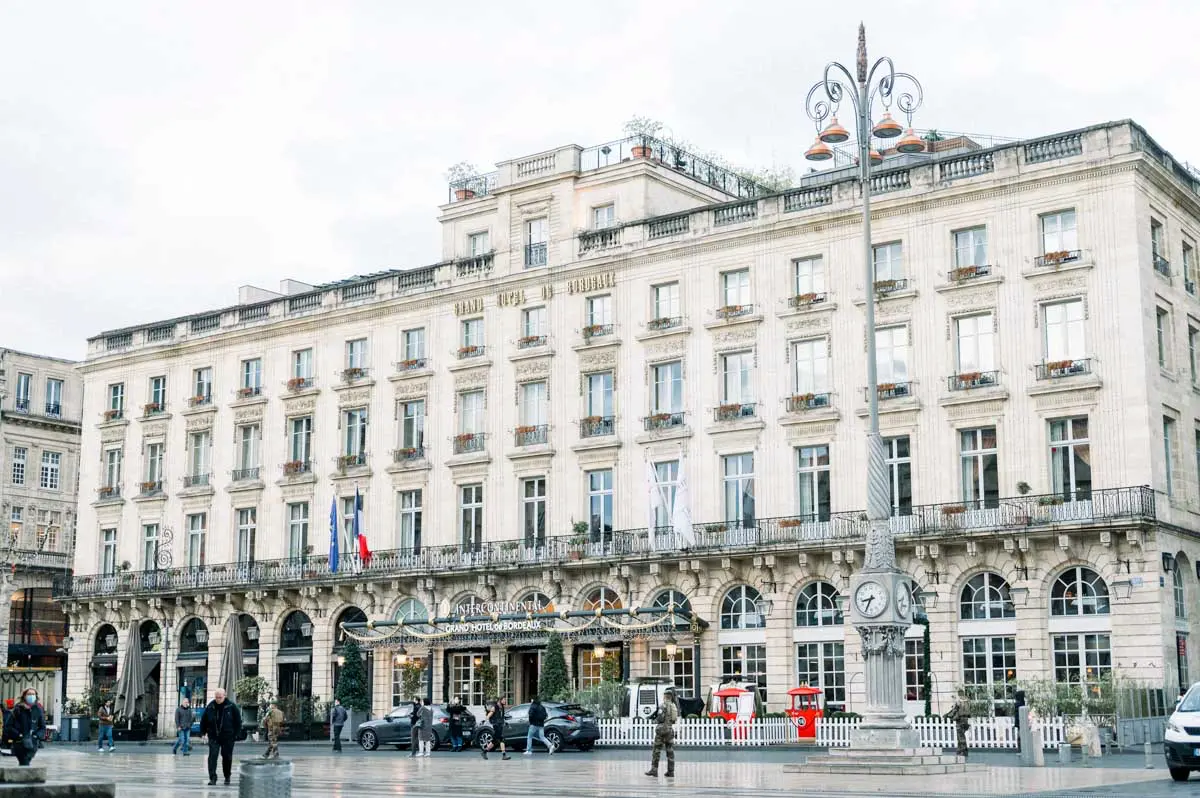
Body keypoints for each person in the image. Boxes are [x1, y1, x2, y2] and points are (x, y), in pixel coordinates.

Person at [199, 688, 242, 787]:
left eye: (220, 697)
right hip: (213, 736)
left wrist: (235, 735)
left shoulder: (231, 706)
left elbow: (238, 722)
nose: (218, 699)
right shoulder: (211, 706)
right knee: (212, 757)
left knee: (227, 757)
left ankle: (227, 776)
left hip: (228, 736)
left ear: (224, 696)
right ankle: (213, 778)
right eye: (216, 697)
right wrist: (203, 732)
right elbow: (204, 720)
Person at [3, 688, 44, 767]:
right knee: (24, 762)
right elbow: (8, 726)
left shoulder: (38, 710)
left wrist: (36, 736)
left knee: (25, 763)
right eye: (29, 694)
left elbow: (42, 727)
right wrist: (19, 735)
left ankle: (22, 777)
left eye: (33, 694)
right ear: (24, 696)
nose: (31, 696)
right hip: (20, 742)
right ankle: (24, 777)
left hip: (32, 743)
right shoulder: (17, 709)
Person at [645, 687, 678, 778]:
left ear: (665, 696)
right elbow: (674, 719)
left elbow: (660, 718)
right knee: (670, 751)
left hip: (661, 730)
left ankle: (654, 770)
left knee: (656, 750)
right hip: (670, 730)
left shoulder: (662, 705)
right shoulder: (673, 706)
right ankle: (670, 771)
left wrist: (654, 721)